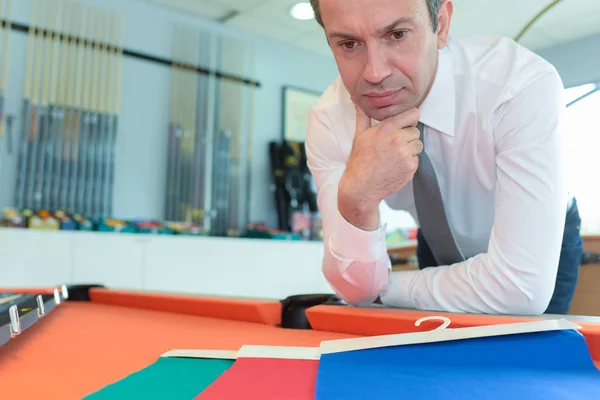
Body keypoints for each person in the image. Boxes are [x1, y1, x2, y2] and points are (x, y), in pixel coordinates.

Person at [305, 0, 583, 316]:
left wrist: (385, 290)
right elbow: (354, 288)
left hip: (538, 240)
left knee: (524, 362)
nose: (375, 73)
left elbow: (520, 289)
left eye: (397, 34)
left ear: (443, 23)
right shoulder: (329, 120)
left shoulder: (518, 85)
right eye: (349, 44)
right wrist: (357, 202)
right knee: (432, 359)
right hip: (437, 239)